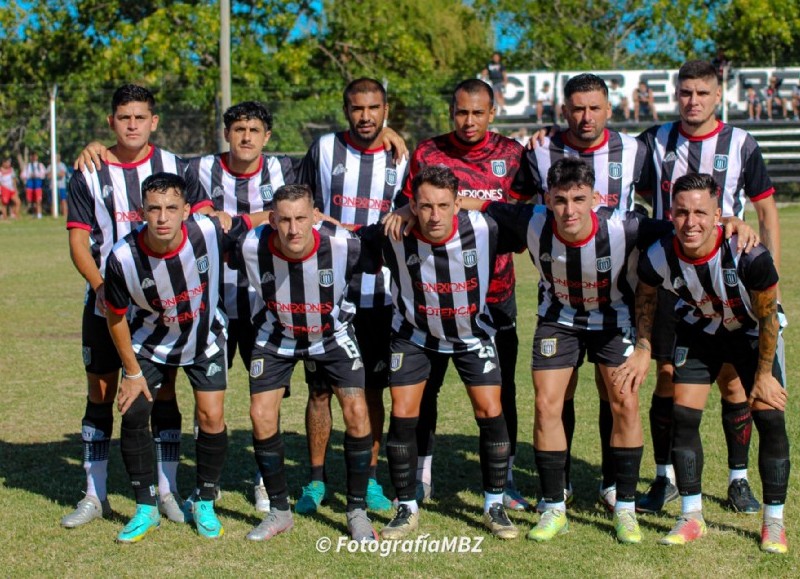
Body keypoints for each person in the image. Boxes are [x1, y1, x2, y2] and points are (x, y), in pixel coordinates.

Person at [469, 157, 672, 543]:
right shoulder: (532, 221)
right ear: (548, 198)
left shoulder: (626, 226)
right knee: (547, 404)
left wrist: (731, 223)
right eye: (560, 200)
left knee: (624, 402)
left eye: (579, 199)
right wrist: (415, 206)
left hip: (614, 321)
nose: (569, 210)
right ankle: (552, 507)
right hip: (558, 320)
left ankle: (625, 508)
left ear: (594, 197)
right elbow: (478, 204)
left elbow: (681, 229)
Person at [614, 172, 790, 554]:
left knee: (770, 416)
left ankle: (774, 522)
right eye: (680, 213)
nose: (690, 222)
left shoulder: (749, 255)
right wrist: (643, 345)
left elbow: (768, 317)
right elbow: (645, 296)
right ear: (671, 214)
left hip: (750, 333)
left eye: (700, 213)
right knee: (684, 416)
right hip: (699, 331)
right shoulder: (659, 254)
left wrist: (763, 374)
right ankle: (691, 516)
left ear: (717, 216)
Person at [636, 60, 782, 515]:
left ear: (717, 97)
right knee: (668, 381)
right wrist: (544, 136)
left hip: (727, 274)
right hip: (672, 276)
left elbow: (766, 210)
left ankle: (738, 480)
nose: (692, 101)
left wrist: (769, 275)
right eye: (684, 93)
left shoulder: (740, 143)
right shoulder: (654, 140)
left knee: (734, 384)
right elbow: (605, 161)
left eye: (701, 93)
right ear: (675, 95)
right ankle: (666, 479)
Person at [62, 84, 208, 529]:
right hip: (108, 304)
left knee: (164, 392)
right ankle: (94, 494)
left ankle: (168, 490)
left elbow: (201, 223)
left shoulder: (175, 169)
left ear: (154, 121)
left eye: (140, 117)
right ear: (111, 122)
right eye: (123, 117)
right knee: (101, 393)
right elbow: (77, 240)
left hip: (166, 308)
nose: (131, 125)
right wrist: (104, 288)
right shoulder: (89, 171)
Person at [104, 172, 260, 542]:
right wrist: (131, 372)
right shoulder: (122, 257)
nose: (162, 217)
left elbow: (255, 219)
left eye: (171, 208)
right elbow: (115, 316)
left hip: (203, 339)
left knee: (211, 416)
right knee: (135, 410)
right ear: (141, 211)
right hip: (149, 344)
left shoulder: (207, 231)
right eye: (154, 208)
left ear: (186, 210)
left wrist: (312, 214)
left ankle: (204, 500)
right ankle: (146, 506)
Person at [521, 73, 649, 512]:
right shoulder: (538, 150)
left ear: (610, 109)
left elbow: (664, 206)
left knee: (615, 393)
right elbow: (505, 202)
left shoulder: (635, 150)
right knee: (558, 395)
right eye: (577, 107)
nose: (586, 116)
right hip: (560, 298)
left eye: (595, 107)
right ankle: (560, 488)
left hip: (617, 296)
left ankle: (614, 485)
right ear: (564, 110)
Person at [399, 78, 530, 511]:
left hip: (494, 294)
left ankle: (505, 477)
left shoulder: (512, 155)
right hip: (432, 294)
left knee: (500, 388)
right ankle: (421, 475)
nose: (468, 121)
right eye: (460, 112)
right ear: (451, 112)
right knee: (425, 387)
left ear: (492, 113)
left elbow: (521, 219)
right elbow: (409, 207)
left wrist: (473, 208)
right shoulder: (427, 153)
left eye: (477, 112)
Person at [369, 165, 519, 541]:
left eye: (442, 205)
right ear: (412, 205)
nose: (433, 216)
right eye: (424, 206)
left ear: (457, 204)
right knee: (404, 412)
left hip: (472, 334)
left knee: (490, 411)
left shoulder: (487, 227)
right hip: (414, 336)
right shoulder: (392, 232)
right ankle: (406, 507)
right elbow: (341, 243)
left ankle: (494, 504)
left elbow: (535, 221)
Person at [235, 183, 379, 543]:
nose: (293, 229)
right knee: (260, 413)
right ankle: (280, 511)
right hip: (276, 335)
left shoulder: (344, 243)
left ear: (317, 217)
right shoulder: (249, 246)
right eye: (284, 220)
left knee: (357, 410)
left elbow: (385, 244)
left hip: (331, 335)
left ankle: (357, 510)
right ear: (271, 220)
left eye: (302, 218)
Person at [291, 78, 407, 516]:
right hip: (327, 294)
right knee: (320, 391)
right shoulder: (322, 150)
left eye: (374, 107)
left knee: (373, 391)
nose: (365, 116)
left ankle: (370, 479)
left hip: (379, 294)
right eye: (357, 108)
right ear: (345, 109)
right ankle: (316, 480)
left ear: (386, 109)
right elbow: (298, 200)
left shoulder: (402, 156)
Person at [189, 100, 296, 514]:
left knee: (265, 400)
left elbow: (290, 212)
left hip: (263, 305)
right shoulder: (198, 169)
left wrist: (239, 220)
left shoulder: (283, 169)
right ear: (227, 134)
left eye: (254, 130)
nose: (246, 136)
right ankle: (207, 483)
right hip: (211, 303)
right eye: (238, 129)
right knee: (206, 401)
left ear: (266, 137)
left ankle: (263, 481)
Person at [21, 151, 46, 218]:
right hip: (30, 185)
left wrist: (36, 175)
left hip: (37, 184)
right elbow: (23, 175)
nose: (33, 157)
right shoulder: (27, 166)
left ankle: (39, 214)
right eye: (32, 156)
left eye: (35, 156)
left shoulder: (40, 165)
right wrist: (29, 176)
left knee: (38, 200)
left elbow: (43, 175)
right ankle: (34, 213)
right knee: (31, 200)